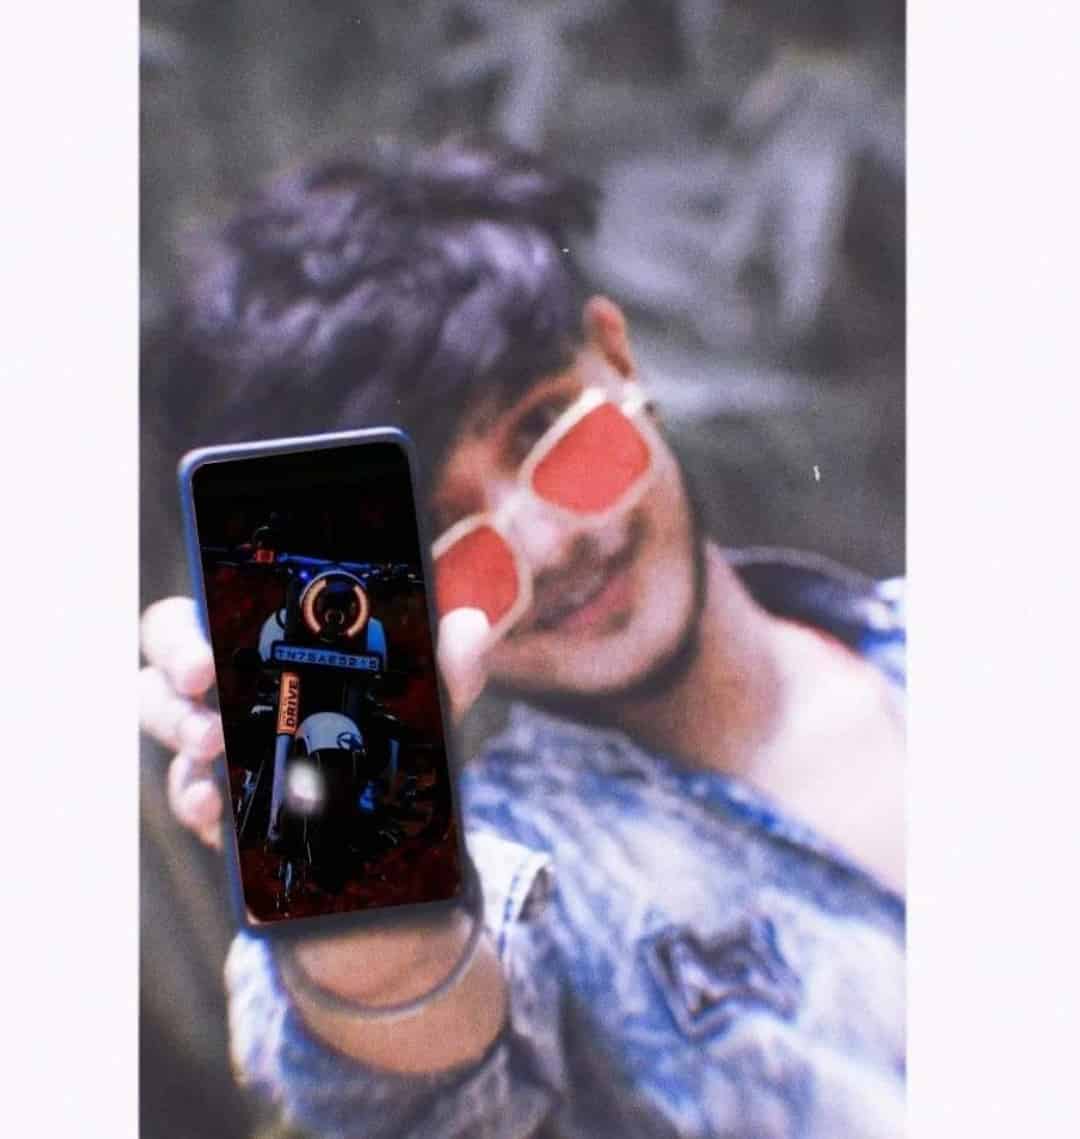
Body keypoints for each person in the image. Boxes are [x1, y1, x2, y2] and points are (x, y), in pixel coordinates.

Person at [140, 140, 905, 1137]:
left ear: (617, 357)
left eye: (543, 426)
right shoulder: (514, 867)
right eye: (438, 528)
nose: (548, 542)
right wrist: (353, 903)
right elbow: (410, 1044)